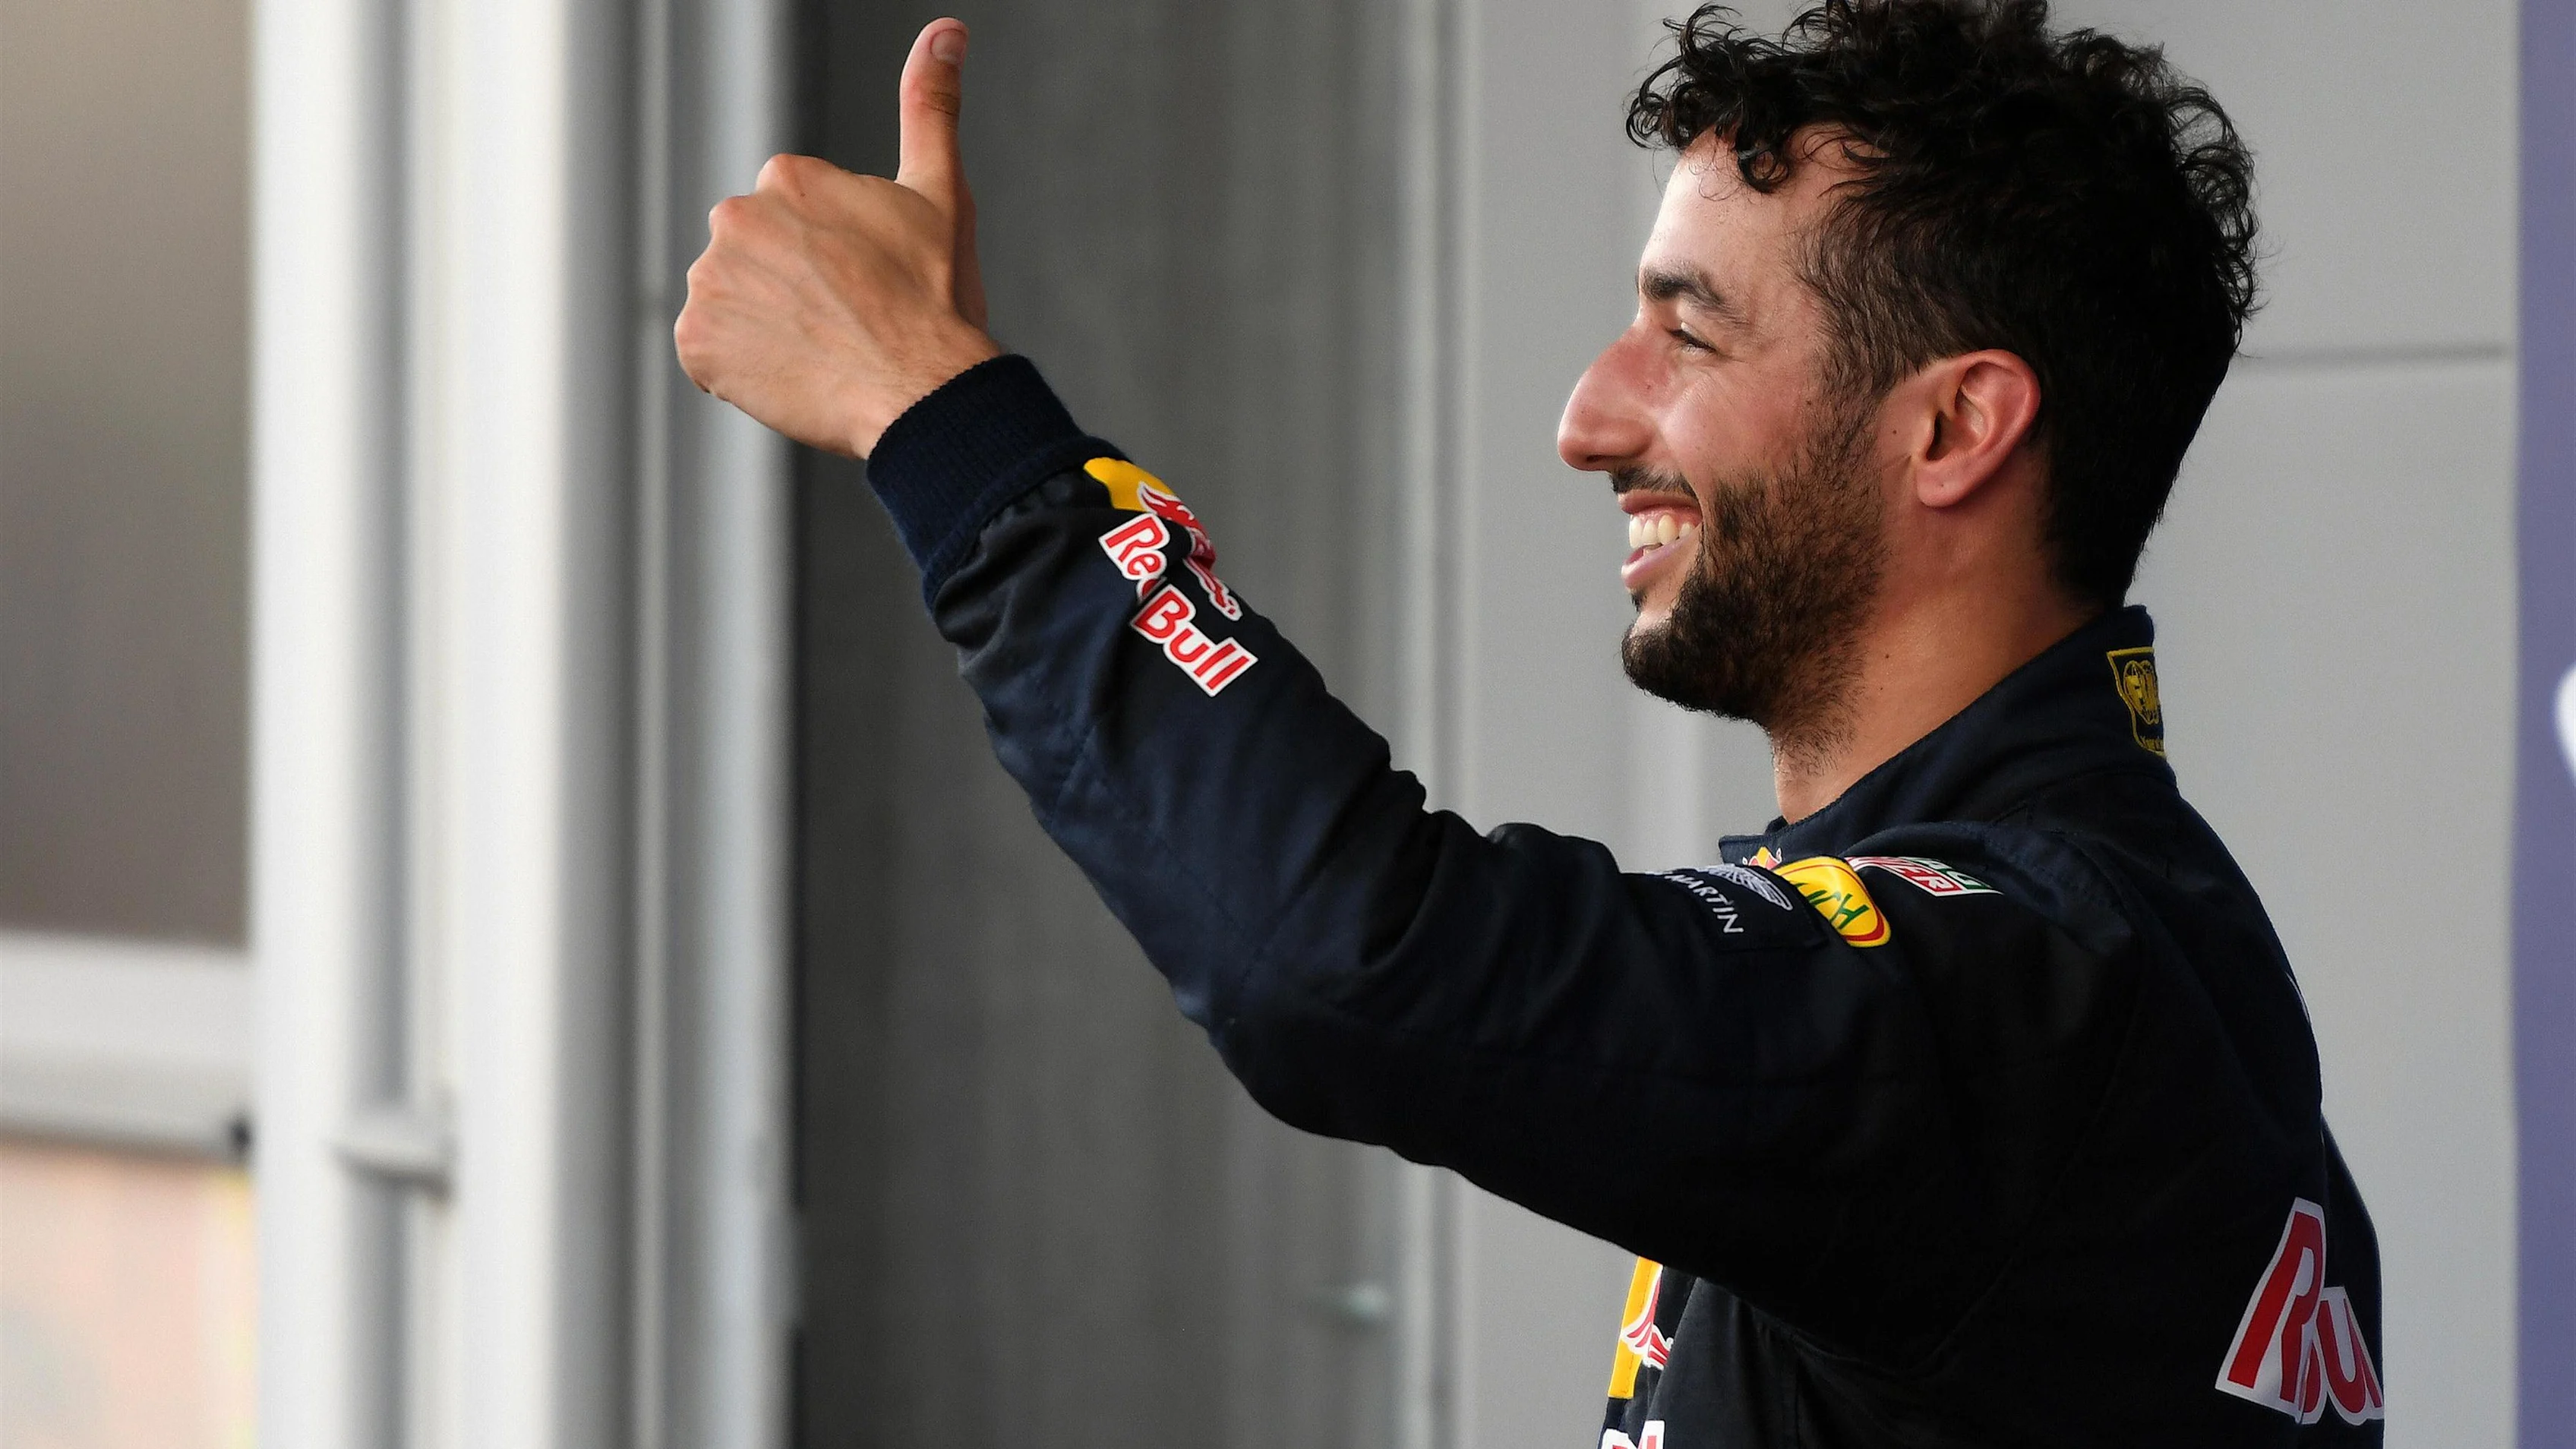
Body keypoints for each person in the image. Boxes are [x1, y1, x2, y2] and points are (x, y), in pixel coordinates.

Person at [675, 1, 2385, 1442]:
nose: (1588, 419)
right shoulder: (2112, 954)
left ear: (1953, 430)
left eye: (1686, 332)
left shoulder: (2031, 987)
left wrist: (949, 428)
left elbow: (1353, 958)